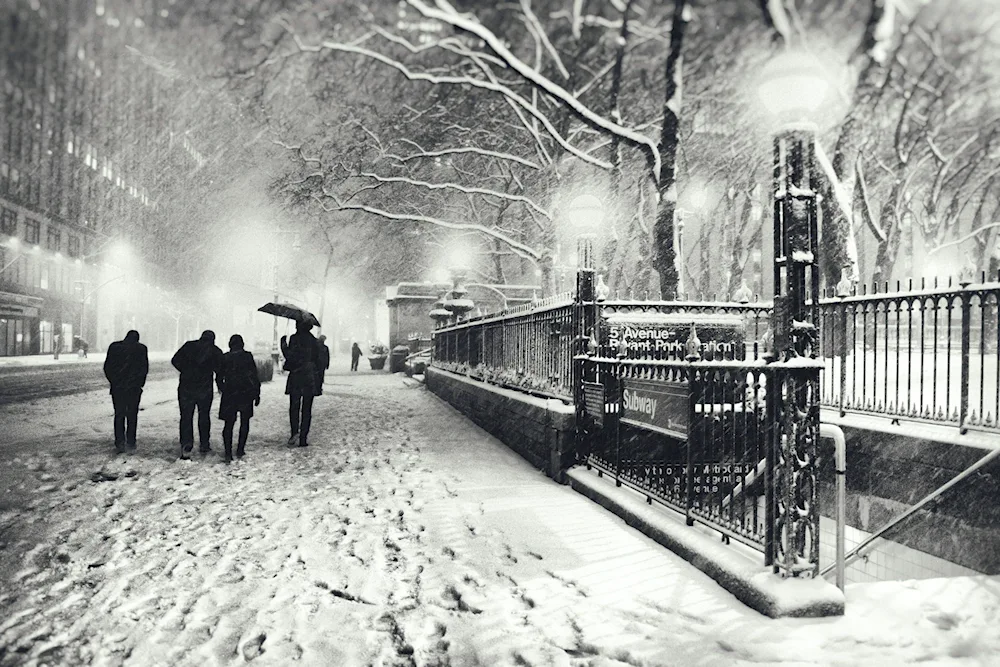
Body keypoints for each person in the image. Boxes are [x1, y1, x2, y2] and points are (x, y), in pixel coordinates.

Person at [171, 330, 224, 458]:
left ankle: (186, 443)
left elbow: (175, 360)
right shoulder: (215, 351)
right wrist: (220, 386)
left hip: (186, 387)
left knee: (186, 416)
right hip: (204, 388)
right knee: (204, 416)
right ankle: (204, 443)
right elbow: (220, 370)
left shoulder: (188, 346)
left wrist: (185, 370)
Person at [216, 334, 261, 463]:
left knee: (228, 424)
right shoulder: (247, 356)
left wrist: (223, 388)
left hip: (230, 393)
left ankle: (228, 452)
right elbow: (254, 375)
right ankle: (240, 449)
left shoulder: (225, 357)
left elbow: (219, 376)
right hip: (245, 392)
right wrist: (257, 393)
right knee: (244, 422)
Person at [103, 330, 149, 453]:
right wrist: (139, 383)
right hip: (134, 388)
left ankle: (119, 441)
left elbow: (107, 367)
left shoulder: (115, 347)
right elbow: (144, 368)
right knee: (132, 414)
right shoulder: (141, 349)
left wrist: (114, 381)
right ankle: (131, 440)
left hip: (118, 387)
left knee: (119, 414)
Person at [280, 319, 320, 447]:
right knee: (307, 409)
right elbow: (318, 359)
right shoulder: (314, 341)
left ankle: (294, 433)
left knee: (294, 407)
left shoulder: (294, 339)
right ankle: (303, 437)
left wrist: (283, 345)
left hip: (297, 376)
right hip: (309, 376)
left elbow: (290, 356)